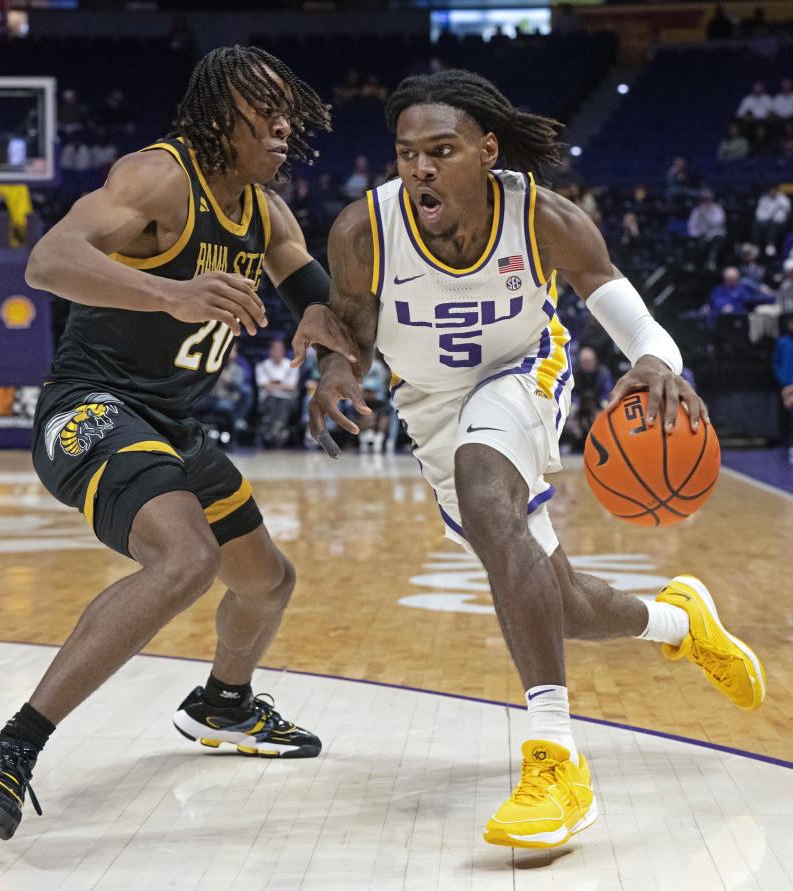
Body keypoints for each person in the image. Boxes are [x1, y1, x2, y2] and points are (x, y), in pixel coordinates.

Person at [309, 69, 765, 850]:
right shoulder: (364, 229)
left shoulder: (544, 217)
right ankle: (675, 621)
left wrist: (657, 360)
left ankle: (554, 755)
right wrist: (335, 369)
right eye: (406, 152)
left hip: (524, 371)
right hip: (428, 405)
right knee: (557, 598)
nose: (419, 167)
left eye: (440, 150)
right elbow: (350, 326)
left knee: (491, 497)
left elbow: (634, 318)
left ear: (486, 151)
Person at [0, 45, 359, 842]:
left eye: (288, 110)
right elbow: (50, 259)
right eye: (263, 107)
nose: (283, 123)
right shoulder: (158, 177)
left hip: (172, 425)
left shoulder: (268, 215)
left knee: (267, 582)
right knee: (187, 560)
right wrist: (172, 291)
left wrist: (334, 361)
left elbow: (325, 306)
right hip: (89, 407)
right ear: (216, 115)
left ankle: (223, 705)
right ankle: (4, 751)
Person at [255, 338, 301, 447]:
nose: (277, 352)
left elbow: (292, 387)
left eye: (279, 350)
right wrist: (282, 385)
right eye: (274, 350)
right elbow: (264, 386)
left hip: (288, 399)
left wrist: (273, 384)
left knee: (283, 402)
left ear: (283, 351)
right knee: (272, 400)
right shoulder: (262, 366)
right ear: (270, 351)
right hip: (268, 398)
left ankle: (274, 429)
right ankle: (278, 428)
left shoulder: (292, 365)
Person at [773, 313, 793, 464]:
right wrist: (782, 381)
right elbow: (776, 362)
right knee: (784, 415)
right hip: (784, 384)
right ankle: (785, 442)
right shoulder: (783, 342)